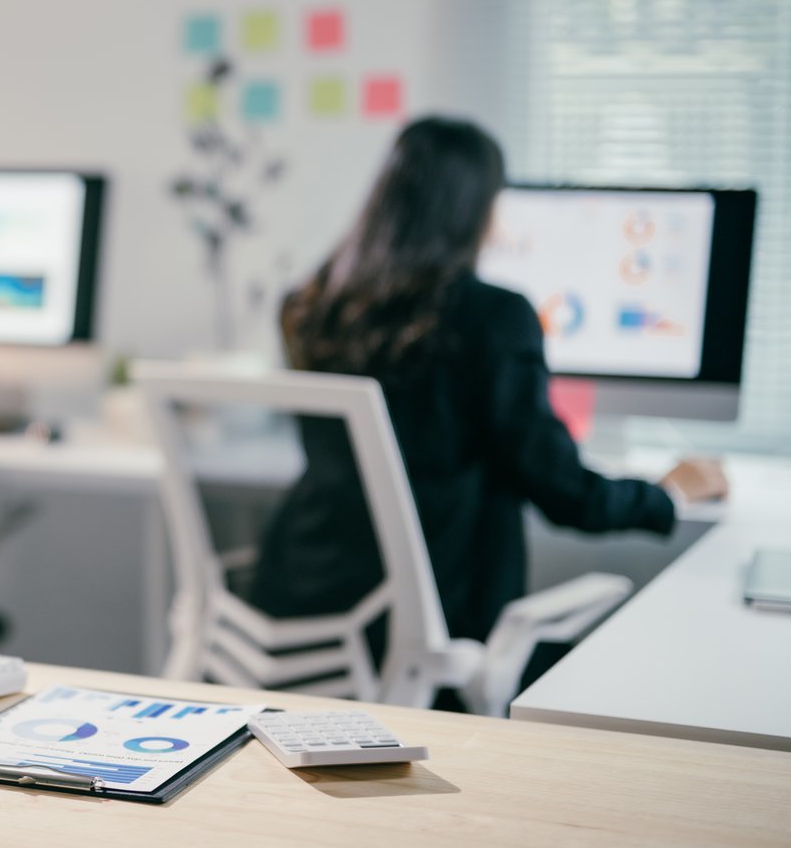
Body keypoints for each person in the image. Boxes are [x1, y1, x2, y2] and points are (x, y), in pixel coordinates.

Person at [249, 115, 727, 649]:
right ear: (476, 209)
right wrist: (665, 495)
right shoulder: (493, 317)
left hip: (302, 598)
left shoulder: (311, 304)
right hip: (430, 624)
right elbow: (560, 489)